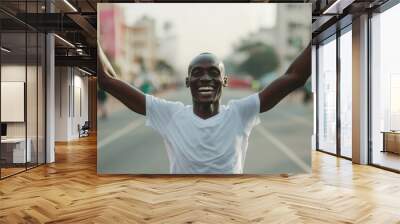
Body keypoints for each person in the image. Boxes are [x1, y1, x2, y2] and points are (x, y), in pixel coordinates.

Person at [98, 42, 311, 174]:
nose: (205, 78)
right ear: (187, 81)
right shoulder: (170, 114)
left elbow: (295, 76)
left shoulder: (239, 113)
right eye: (197, 73)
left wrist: (320, 27)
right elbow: (108, 80)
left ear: (225, 80)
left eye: (213, 73)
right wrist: (93, 39)